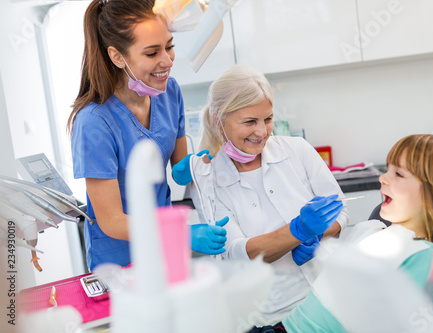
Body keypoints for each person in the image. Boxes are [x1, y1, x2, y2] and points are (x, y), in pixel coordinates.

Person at [178, 65, 350, 325]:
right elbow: (236, 251)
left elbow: (341, 211)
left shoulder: (297, 150)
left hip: (328, 298)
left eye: (267, 119)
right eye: (250, 122)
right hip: (272, 316)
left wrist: (319, 233)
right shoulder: (208, 179)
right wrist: (298, 231)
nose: (262, 132)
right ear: (218, 120)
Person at [68, 0, 226, 272]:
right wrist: (182, 233)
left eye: (169, 46)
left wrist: (192, 166)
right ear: (117, 57)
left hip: (166, 248)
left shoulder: (169, 92)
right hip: (121, 260)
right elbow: (112, 221)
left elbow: (178, 169)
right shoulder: (93, 123)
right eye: (152, 53)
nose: (167, 61)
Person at [280, 134, 433, 332]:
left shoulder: (424, 255)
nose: (382, 178)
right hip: (284, 326)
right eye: (388, 169)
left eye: (398, 174)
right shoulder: (375, 230)